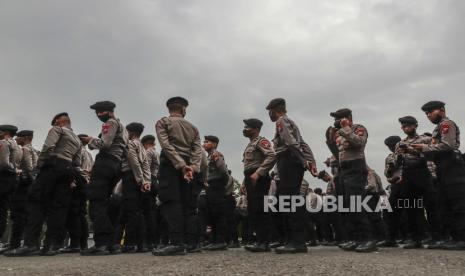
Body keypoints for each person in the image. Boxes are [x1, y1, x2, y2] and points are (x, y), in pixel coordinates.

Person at [6, 113, 84, 256]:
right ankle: (51, 245)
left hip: (53, 165)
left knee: (35, 200)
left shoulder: (57, 130)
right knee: (58, 207)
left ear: (59, 121)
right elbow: (77, 162)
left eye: (54, 122)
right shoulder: (77, 140)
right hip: (68, 169)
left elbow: (48, 147)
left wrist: (39, 166)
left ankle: (30, 244)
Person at [266, 98, 318, 254]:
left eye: (270, 111)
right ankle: (291, 240)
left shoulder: (281, 121)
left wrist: (303, 160)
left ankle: (297, 242)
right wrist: (310, 162)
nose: (269, 114)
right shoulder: (291, 122)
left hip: (289, 160)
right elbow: (303, 143)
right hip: (292, 161)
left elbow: (291, 143)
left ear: (274, 110)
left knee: (290, 200)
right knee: (288, 199)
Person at [153, 97, 202, 256]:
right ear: (183, 109)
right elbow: (197, 151)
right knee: (189, 205)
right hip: (188, 166)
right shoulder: (193, 128)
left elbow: (166, 145)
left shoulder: (163, 122)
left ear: (170, 109)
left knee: (171, 202)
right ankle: (192, 243)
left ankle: (176, 243)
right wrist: (192, 168)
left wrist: (181, 165)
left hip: (171, 164)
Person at [412, 101, 465, 250]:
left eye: (431, 112)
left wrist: (425, 147)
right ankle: (451, 238)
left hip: (452, 166)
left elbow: (448, 146)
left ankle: (462, 238)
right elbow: (435, 151)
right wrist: (418, 151)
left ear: (441, 110)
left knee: (457, 204)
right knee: (444, 204)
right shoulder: (437, 128)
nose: (428, 115)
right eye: (426, 113)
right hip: (442, 167)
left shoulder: (446, 124)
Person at [80, 101, 128, 255]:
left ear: (108, 111)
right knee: (111, 206)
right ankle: (112, 243)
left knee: (96, 203)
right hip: (116, 165)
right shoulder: (124, 128)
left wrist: (90, 141)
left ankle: (101, 244)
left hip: (105, 163)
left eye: (99, 112)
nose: (98, 115)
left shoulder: (110, 123)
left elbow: (105, 144)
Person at [330, 108, 377, 253]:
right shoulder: (339, 133)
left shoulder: (358, 128)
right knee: (346, 205)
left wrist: (346, 128)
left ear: (348, 118)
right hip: (344, 170)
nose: (336, 122)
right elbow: (340, 152)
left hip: (356, 167)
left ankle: (367, 239)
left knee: (356, 203)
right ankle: (355, 238)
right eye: (335, 119)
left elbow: (359, 144)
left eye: (339, 118)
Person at [242, 118, 276, 252]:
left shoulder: (261, 141)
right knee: (253, 209)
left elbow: (272, 156)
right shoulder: (250, 144)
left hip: (259, 178)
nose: (245, 129)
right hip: (251, 177)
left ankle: (264, 242)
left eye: (247, 127)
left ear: (256, 129)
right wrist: (245, 182)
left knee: (260, 209)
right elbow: (248, 165)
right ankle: (259, 241)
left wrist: (259, 173)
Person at [120, 123, 151, 253]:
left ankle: (129, 244)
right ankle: (141, 244)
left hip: (130, 177)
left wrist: (139, 180)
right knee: (138, 212)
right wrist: (146, 180)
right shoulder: (142, 147)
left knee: (131, 211)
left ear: (131, 133)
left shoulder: (130, 144)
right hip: (140, 179)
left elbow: (134, 162)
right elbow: (145, 165)